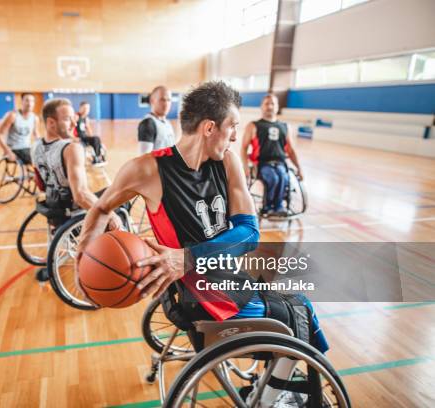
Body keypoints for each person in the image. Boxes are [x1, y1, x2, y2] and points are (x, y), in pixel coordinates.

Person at [78, 81, 327, 406]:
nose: (236, 136)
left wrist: (188, 256)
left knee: (282, 296)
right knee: (301, 311)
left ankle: (277, 384)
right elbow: (100, 207)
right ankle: (272, 397)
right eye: (232, 127)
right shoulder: (148, 168)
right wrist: (83, 265)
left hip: (207, 288)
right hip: (211, 300)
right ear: (210, 127)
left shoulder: (227, 162)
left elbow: (250, 234)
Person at [32, 98, 122, 281]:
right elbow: (81, 196)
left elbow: (40, 184)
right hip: (74, 213)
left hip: (54, 211)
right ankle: (118, 260)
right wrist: (111, 215)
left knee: (108, 190)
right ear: (51, 123)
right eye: (67, 119)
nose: (74, 122)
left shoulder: (35, 147)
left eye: (73, 117)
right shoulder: (71, 148)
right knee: (121, 197)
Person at [241, 94, 304, 217]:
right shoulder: (253, 125)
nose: (270, 106)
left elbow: (291, 151)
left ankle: (278, 206)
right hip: (262, 164)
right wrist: (245, 167)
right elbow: (243, 148)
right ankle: (268, 207)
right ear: (261, 107)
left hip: (280, 163)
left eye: (273, 104)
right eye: (266, 104)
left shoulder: (285, 127)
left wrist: (299, 168)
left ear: (277, 107)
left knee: (284, 177)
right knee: (273, 178)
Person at [0, 93, 40, 166]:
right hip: (14, 149)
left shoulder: (35, 118)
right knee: (38, 160)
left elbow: (36, 133)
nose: (30, 104)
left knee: (46, 156)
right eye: (27, 100)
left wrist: (42, 146)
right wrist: (8, 151)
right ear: (22, 102)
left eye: (32, 101)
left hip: (27, 148)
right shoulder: (12, 116)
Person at [137, 85, 175, 154]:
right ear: (152, 101)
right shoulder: (148, 124)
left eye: (169, 100)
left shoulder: (167, 123)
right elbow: (144, 158)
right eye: (162, 100)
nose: (166, 103)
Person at [75, 101, 106, 166]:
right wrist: (73, 138)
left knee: (96, 138)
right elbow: (70, 128)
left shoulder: (86, 119)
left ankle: (98, 157)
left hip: (84, 137)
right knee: (81, 145)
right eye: (85, 108)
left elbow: (89, 129)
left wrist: (95, 141)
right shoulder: (76, 116)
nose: (87, 110)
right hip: (77, 138)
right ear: (80, 108)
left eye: (88, 109)